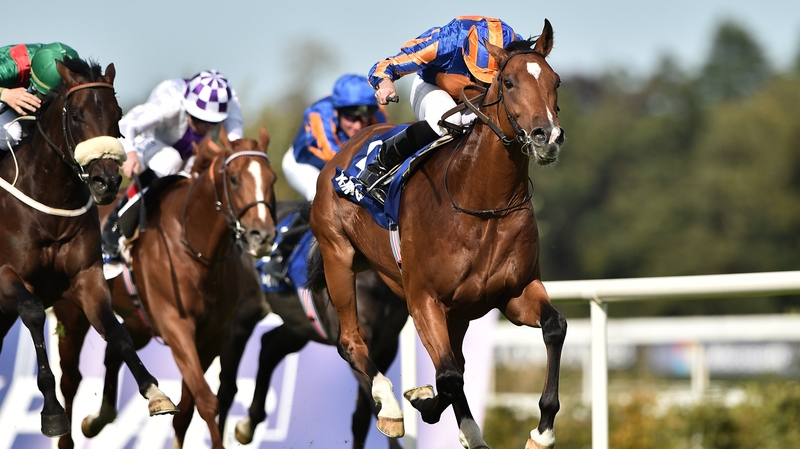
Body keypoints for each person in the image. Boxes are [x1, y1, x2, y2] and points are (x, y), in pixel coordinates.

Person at [358, 16, 524, 202]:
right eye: (480, 73)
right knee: (449, 121)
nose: (484, 82)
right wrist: (385, 83)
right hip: (433, 87)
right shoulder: (445, 43)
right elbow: (386, 65)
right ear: (466, 51)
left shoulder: (517, 50)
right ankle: (381, 162)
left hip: (475, 98)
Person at [102, 69, 244, 264]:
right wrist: (130, 154)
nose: (203, 127)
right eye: (198, 118)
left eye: (211, 122)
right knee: (170, 160)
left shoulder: (229, 102)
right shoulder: (170, 102)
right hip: (147, 142)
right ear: (187, 106)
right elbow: (127, 125)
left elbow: (237, 148)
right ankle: (115, 224)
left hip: (187, 153)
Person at [266, 73, 389, 279]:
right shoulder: (318, 114)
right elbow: (334, 157)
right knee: (318, 198)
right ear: (336, 110)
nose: (358, 125)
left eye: (364, 116)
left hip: (349, 162)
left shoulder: (378, 114)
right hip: (306, 164)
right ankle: (280, 254)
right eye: (351, 117)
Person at [0, 42, 79, 151]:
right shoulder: (9, 67)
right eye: (44, 95)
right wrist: (4, 94)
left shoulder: (61, 60)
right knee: (12, 134)